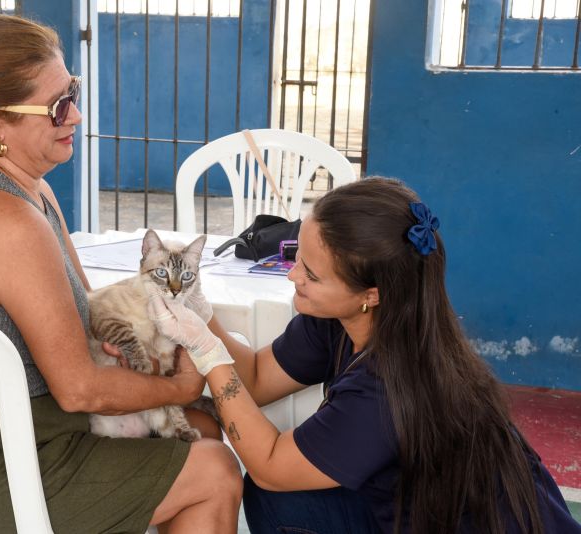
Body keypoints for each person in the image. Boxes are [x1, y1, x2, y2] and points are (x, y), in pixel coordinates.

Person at [0, 14, 241, 534]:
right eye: (59, 106)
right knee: (215, 469)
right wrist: (181, 383)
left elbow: (85, 311)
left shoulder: (27, 189)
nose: (76, 115)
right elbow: (80, 390)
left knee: (200, 427)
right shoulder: (6, 218)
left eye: (72, 91)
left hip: (19, 429)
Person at [147, 177, 581, 533]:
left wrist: (207, 353)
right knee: (279, 503)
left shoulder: (390, 386)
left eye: (312, 275)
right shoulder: (342, 320)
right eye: (298, 255)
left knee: (274, 486)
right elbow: (258, 379)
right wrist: (199, 313)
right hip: (410, 507)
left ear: (370, 295)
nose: (293, 275)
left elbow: (270, 465)